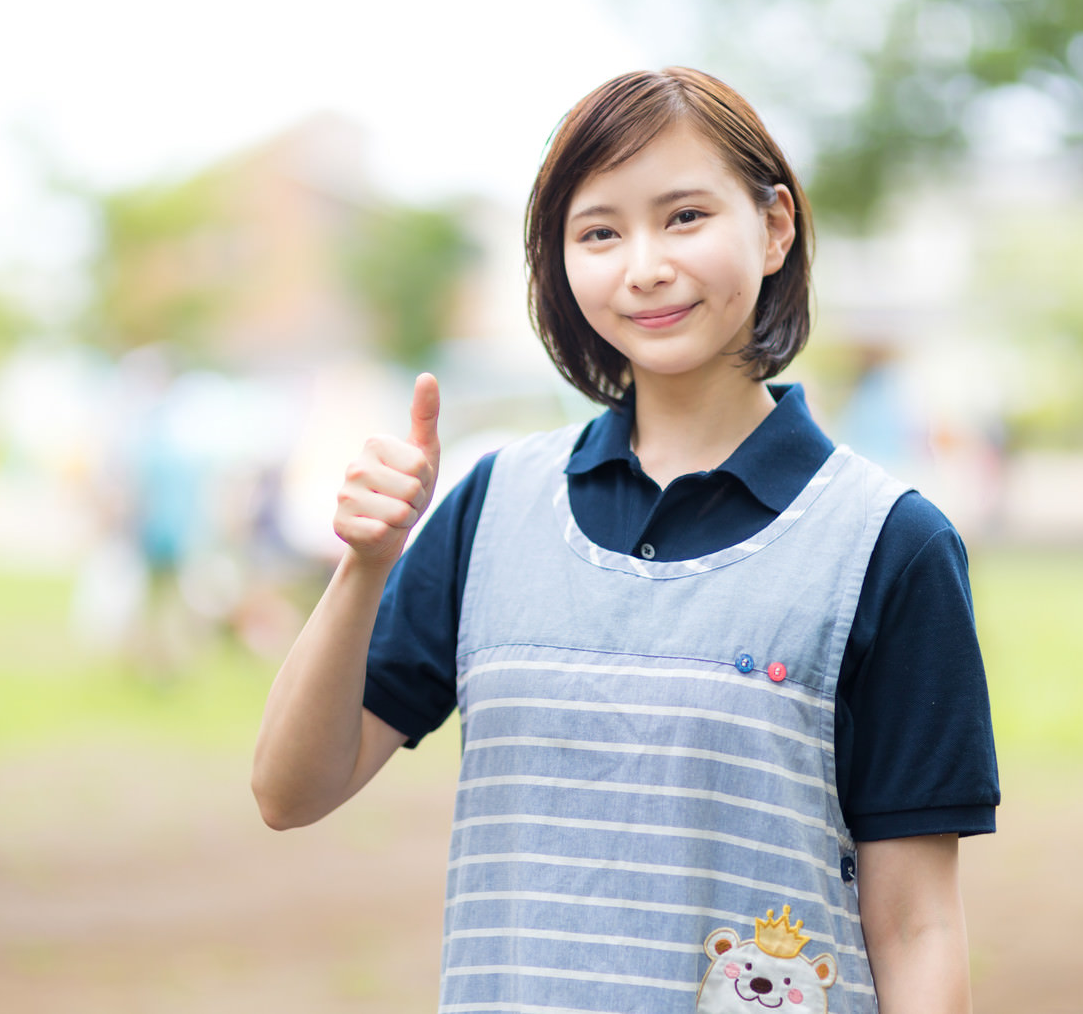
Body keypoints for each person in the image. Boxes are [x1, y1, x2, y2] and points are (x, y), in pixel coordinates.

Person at [252, 67, 999, 1014]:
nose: (644, 264)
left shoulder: (890, 544)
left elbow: (920, 928)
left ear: (774, 228)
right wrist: (365, 568)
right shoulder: (492, 506)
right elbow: (291, 792)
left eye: (685, 216)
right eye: (600, 232)